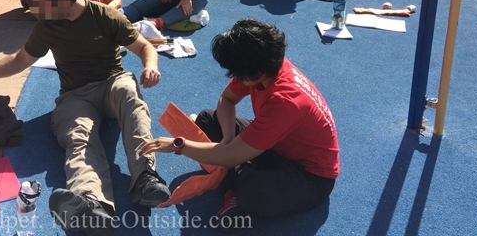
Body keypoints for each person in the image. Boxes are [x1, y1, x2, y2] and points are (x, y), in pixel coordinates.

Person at [0, 0, 171, 235]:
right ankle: (93, 204)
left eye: (39, 3)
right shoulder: (46, 25)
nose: (33, 9)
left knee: (132, 101)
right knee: (79, 136)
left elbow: (144, 46)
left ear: (63, 0)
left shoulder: (104, 16)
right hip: (76, 94)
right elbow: (20, 60)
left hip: (112, 81)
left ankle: (145, 178)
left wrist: (151, 65)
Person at [140, 19, 339, 228]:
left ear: (255, 71)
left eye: (237, 73)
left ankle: (236, 187)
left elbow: (228, 156)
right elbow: (226, 100)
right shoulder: (264, 63)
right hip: (278, 146)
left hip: (309, 175)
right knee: (208, 118)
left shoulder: (285, 100)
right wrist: (227, 138)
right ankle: (238, 175)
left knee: (256, 191)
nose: (234, 77)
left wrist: (178, 145)